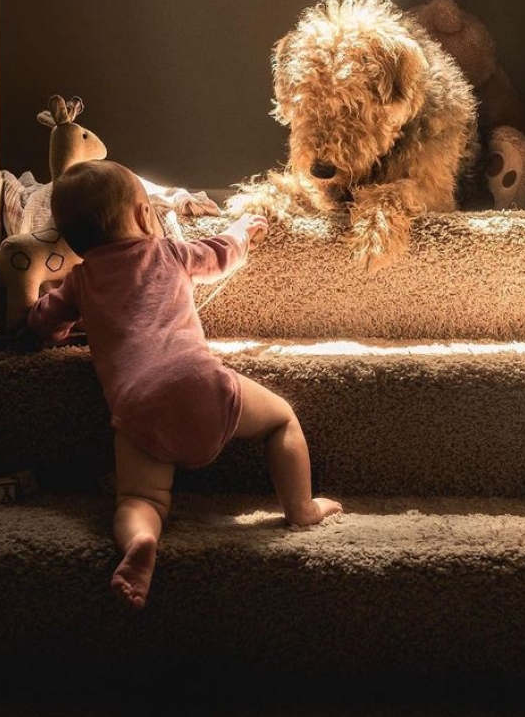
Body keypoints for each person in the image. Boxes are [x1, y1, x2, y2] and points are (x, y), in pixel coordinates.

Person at [26, 159, 342, 610]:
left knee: (140, 497)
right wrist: (240, 231)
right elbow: (220, 255)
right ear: (142, 216)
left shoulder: (80, 279)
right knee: (280, 421)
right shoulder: (169, 251)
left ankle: (140, 541)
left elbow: (44, 321)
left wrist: (48, 325)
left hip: (136, 404)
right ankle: (301, 509)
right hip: (197, 379)